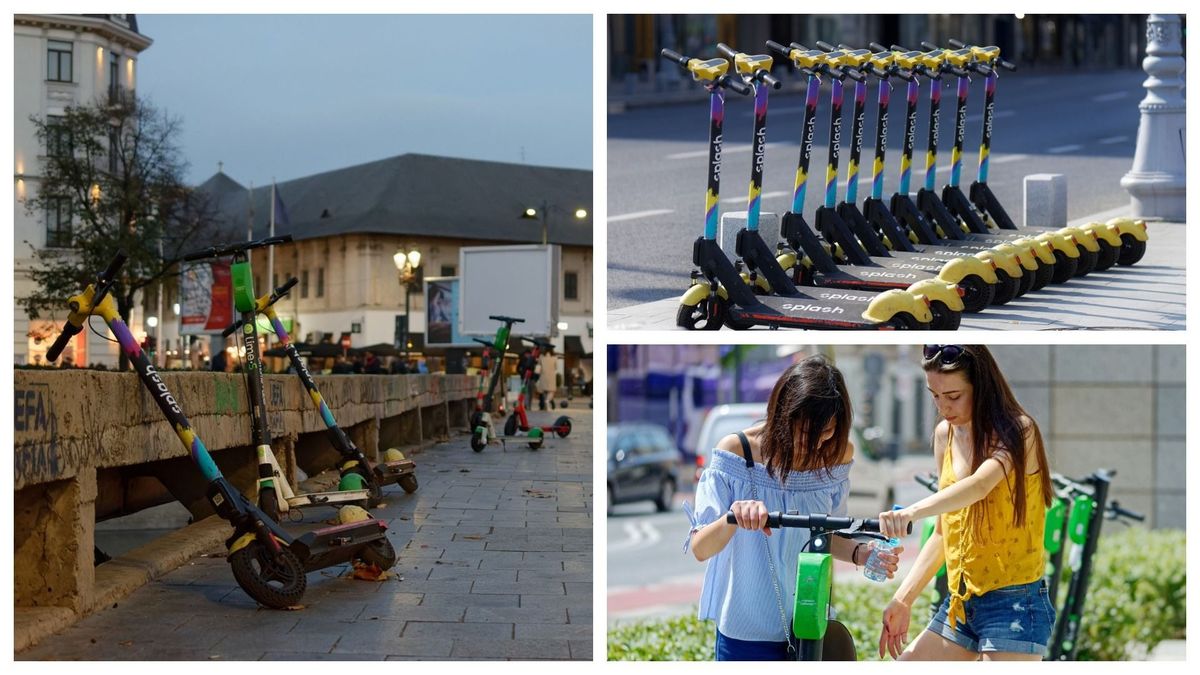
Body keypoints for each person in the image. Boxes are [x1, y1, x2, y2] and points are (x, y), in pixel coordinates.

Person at [684, 355, 901, 661]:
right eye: (803, 431)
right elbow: (700, 547)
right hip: (746, 635)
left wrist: (861, 553)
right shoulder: (736, 452)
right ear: (781, 413)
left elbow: (824, 535)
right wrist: (733, 517)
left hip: (811, 627)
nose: (813, 444)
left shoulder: (836, 454)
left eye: (825, 432)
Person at [877, 345, 1055, 661]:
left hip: (1014, 604)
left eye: (954, 396)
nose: (943, 406)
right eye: (935, 395)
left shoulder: (1018, 430)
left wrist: (912, 511)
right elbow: (943, 534)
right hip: (961, 600)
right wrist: (903, 600)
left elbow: (980, 486)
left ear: (981, 387)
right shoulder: (944, 435)